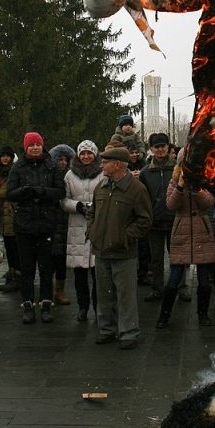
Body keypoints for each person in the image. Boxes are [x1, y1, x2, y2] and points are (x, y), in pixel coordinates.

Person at [86, 146, 152, 349]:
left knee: (126, 295)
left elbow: (145, 220)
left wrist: (125, 237)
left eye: (105, 161)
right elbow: (92, 212)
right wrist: (93, 230)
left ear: (117, 164)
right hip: (101, 250)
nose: (101, 165)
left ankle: (128, 333)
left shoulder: (136, 189)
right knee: (104, 294)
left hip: (124, 252)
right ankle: (106, 329)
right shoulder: (101, 186)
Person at [7, 132, 65, 325]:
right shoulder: (18, 167)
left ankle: (46, 304)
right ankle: (28, 305)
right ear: (25, 147)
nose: (34, 148)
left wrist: (43, 192)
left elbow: (60, 191)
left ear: (42, 146)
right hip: (24, 225)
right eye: (31, 145)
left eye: (37, 145)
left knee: (46, 268)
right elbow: (10, 193)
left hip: (46, 223)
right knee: (27, 268)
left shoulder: (51, 165)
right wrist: (23, 192)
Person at [157, 157, 215, 329]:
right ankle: (164, 315)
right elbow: (170, 204)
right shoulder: (174, 181)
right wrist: (180, 187)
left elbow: (209, 202)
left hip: (201, 230)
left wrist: (196, 188)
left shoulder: (205, 180)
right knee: (174, 277)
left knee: (204, 278)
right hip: (182, 231)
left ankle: (203, 314)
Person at [61, 140, 106, 322]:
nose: (86, 156)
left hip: (97, 226)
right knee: (79, 274)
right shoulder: (70, 175)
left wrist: (94, 207)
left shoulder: (103, 173)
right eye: (83, 153)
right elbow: (63, 201)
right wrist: (77, 206)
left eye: (89, 153)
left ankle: (98, 306)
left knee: (98, 273)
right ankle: (82, 307)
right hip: (77, 227)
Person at [138, 133, 179, 303]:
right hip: (154, 221)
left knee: (177, 258)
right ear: (151, 149)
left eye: (163, 146)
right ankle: (157, 289)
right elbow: (142, 196)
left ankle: (177, 288)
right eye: (157, 147)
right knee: (156, 259)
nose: (160, 149)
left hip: (174, 220)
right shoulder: (146, 172)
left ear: (168, 148)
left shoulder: (177, 168)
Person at [49, 144, 76, 306]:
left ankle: (59, 290)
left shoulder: (71, 176)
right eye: (60, 159)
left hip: (66, 220)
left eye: (66, 160)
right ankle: (48, 289)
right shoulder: (48, 175)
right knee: (49, 258)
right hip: (50, 220)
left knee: (61, 259)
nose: (63, 163)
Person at [0, 147, 20, 293]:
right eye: (2, 155)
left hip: (12, 213)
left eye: (7, 156)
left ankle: (17, 277)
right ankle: (12, 273)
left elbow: (6, 192)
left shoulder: (13, 172)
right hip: (3, 215)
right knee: (9, 246)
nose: (5, 158)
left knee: (14, 247)